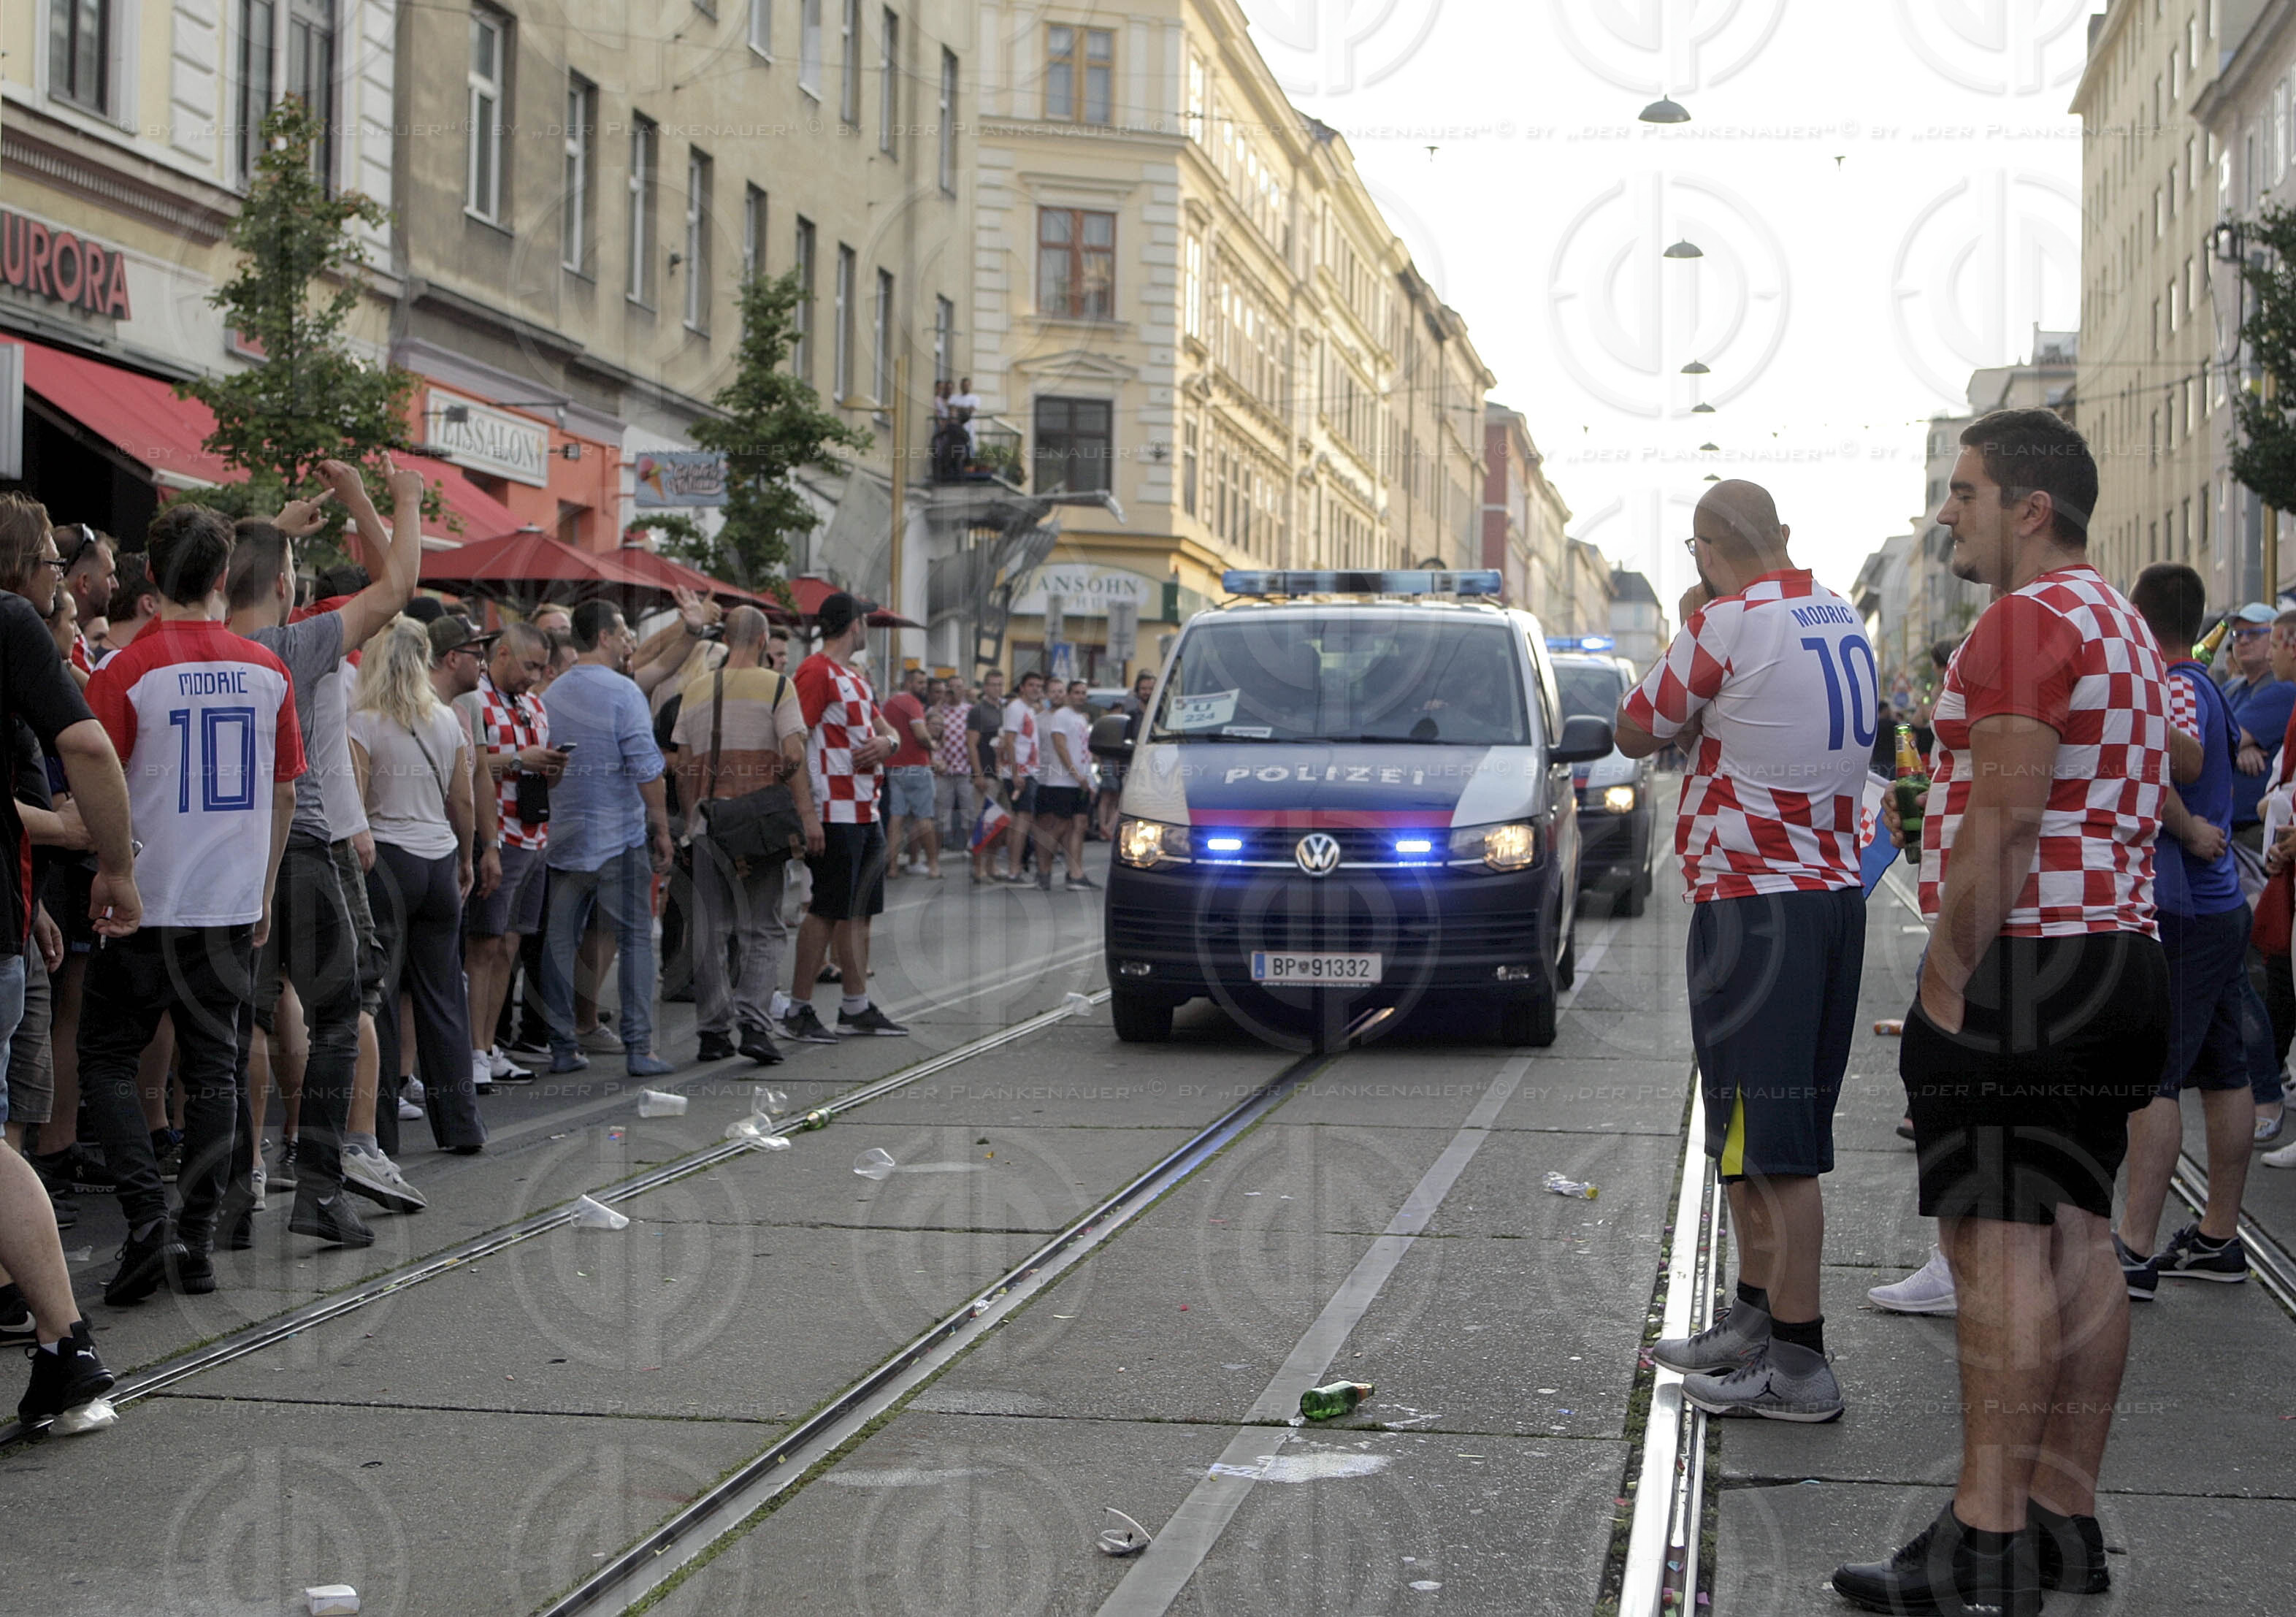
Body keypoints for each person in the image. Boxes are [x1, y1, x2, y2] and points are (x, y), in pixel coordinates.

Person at [1834, 409, 2166, 1613]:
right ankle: (2058, 1524)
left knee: (1992, 1247)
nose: (1944, 512)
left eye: (1963, 493)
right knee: (2080, 1236)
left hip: (2026, 965)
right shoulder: (2121, 622)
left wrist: (1941, 975)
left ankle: (1979, 1541)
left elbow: (2004, 816)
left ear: (2028, 508)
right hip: (2120, 956)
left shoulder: (2022, 623)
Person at [1612, 480, 1867, 1427]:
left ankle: (1800, 1363)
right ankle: (1757, 1319)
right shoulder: (1833, 610)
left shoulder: (1730, 620)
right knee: (1749, 1133)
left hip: (1761, 908)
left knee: (1778, 1148)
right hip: (1825, 895)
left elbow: (1639, 723)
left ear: (1704, 547)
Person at [81, 501, 299, 1295]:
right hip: (228, 901)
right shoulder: (267, 669)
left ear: (149, 574)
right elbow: (282, 791)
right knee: (215, 1072)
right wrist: (267, 888)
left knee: (107, 1057)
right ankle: (197, 1238)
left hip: (146, 896)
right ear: (220, 577)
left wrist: (111, 867)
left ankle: (146, 1222)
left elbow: (93, 784)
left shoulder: (125, 671)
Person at [226, 459, 423, 1247]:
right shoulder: (294, 643)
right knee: (338, 1015)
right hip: (302, 847)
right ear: (282, 583)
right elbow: (397, 585)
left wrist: (271, 533)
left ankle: (228, 1198)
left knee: (236, 1024)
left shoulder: (189, 644)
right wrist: (391, 499)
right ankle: (318, 1186)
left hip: (220, 858)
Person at [0, 532, 135, 1431]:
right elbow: (86, 746)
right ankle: (66, 1343)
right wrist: (113, 863)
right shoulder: (11, 625)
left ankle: (67, 1342)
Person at [2108, 563, 2254, 1299]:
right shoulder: (2201, 681)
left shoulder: (2172, 682)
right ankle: (2218, 1237)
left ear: (2138, 614)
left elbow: (2184, 757)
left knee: (2154, 1074)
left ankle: (2131, 1248)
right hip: (2220, 906)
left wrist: (2114, 704)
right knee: (2225, 1069)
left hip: (2186, 907)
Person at [350, 616, 487, 1177]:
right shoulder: (448, 721)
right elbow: (465, 802)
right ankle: (461, 1123)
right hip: (438, 858)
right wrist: (467, 857)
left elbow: (356, 805)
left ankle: (379, 1132)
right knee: (443, 997)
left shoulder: (363, 723)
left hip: (388, 861)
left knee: (379, 999)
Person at [671, 607, 821, 1065]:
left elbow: (682, 766)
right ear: (761, 641)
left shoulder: (695, 689)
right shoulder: (778, 686)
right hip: (758, 830)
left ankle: (713, 1033)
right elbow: (793, 752)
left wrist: (692, 816)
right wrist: (803, 810)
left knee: (710, 930)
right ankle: (755, 1025)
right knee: (763, 927)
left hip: (707, 824)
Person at [536, 600, 676, 1077]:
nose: (627, 643)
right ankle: (639, 1049)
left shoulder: (551, 694)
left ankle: (561, 1045)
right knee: (635, 938)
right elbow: (646, 767)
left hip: (563, 840)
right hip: (619, 836)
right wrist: (661, 826)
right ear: (603, 636)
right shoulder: (624, 692)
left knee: (559, 939)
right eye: (622, 633)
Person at [784, 592, 906, 1041]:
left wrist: (887, 745)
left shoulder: (852, 676)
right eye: (865, 619)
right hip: (833, 811)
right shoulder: (815, 672)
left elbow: (886, 729)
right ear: (854, 625)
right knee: (828, 910)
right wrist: (808, 814)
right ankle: (798, 1009)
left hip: (863, 810)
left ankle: (855, 1005)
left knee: (859, 912)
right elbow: (794, 742)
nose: (867, 627)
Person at [456, 622, 562, 1090]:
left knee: (510, 946)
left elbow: (534, 773)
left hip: (534, 836)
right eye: (529, 665)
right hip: (496, 835)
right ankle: (474, 1051)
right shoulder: (473, 700)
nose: (535, 677)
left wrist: (550, 767)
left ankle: (487, 1045)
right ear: (501, 655)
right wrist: (522, 761)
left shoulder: (534, 706)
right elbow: (466, 765)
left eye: (541, 667)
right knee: (484, 946)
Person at [1037, 678, 1098, 890]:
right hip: (1062, 781)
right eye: (1077, 692)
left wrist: (1089, 780)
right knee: (1059, 826)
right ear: (1069, 695)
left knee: (1079, 826)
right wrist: (1074, 773)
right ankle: (1043, 871)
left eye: (1084, 693)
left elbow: (1084, 751)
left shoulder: (1080, 718)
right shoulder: (1061, 715)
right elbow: (1060, 746)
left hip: (1080, 782)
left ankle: (1076, 874)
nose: (1080, 696)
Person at [881, 665, 939, 877]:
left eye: (925, 683)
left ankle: (893, 867)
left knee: (896, 817)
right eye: (920, 682)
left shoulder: (889, 703)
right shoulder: (912, 703)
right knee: (924, 816)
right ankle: (933, 866)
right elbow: (921, 734)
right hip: (916, 765)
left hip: (894, 765)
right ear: (908, 683)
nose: (924, 687)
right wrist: (933, 746)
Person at [927, 676, 978, 877]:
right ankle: (935, 858)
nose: (955, 691)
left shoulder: (970, 711)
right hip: (943, 771)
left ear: (964, 689)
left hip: (965, 770)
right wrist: (942, 700)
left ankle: (974, 853)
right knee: (940, 816)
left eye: (959, 687)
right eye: (952, 688)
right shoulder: (938, 710)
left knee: (970, 814)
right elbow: (929, 722)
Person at [54, 523, 115, 687]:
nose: (116, 585)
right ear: (85, 583)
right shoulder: (59, 649)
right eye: (109, 575)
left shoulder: (74, 646)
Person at [998, 670, 1045, 882]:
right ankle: (1014, 869)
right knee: (1021, 822)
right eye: (1032, 685)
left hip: (1030, 770)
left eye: (1039, 686)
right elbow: (1009, 741)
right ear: (1023, 687)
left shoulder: (1030, 709)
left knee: (1019, 820)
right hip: (1021, 773)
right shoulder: (1016, 708)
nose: (1036, 689)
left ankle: (1014, 868)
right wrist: (1016, 773)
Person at [1100, 667, 1155, 838]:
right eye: (1143, 689)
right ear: (1138, 692)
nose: (1147, 692)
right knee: (1127, 800)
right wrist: (1118, 763)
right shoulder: (1131, 716)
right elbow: (1122, 742)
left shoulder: (1162, 715)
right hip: (1132, 766)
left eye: (1150, 689)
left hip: (1158, 767)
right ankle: (1112, 829)